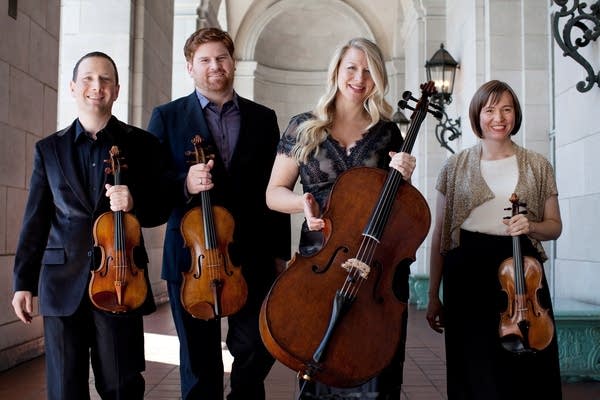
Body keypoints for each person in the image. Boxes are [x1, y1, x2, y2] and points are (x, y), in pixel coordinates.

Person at [11, 51, 171, 399]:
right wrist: (23, 283)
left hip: (120, 280)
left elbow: (163, 207)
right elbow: (35, 219)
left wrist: (135, 202)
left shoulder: (142, 144)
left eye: (105, 80)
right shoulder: (48, 149)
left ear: (116, 90)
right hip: (60, 282)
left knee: (121, 385)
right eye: (87, 78)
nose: (96, 86)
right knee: (64, 387)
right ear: (73, 87)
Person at [265, 37, 417, 399]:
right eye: (352, 67)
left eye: (369, 71)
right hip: (318, 262)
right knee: (317, 363)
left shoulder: (387, 132)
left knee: (374, 370)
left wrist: (404, 178)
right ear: (336, 70)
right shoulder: (303, 127)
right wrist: (301, 205)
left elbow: (398, 207)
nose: (359, 78)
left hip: (371, 265)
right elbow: (273, 194)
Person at [146, 27, 291, 400]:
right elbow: (151, 188)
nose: (215, 66)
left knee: (258, 346)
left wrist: (279, 254)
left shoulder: (263, 118)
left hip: (252, 254)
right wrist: (184, 184)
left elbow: (275, 188)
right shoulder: (167, 116)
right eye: (205, 60)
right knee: (198, 359)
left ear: (233, 63)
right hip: (190, 257)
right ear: (190, 67)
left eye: (222, 58)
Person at [425, 80, 563, 399]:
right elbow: (441, 236)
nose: (498, 117)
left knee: (528, 369)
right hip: (467, 273)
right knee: (474, 370)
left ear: (515, 114)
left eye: (506, 109)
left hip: (521, 274)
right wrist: (434, 294)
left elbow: (554, 227)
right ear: (477, 115)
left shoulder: (538, 165)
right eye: (489, 110)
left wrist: (531, 225)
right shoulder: (454, 166)